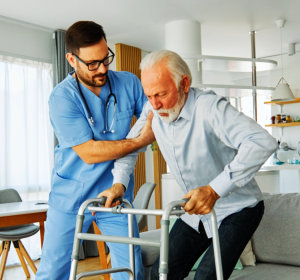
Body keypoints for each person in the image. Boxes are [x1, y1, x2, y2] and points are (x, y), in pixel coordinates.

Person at [110, 50, 278, 279]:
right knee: (163, 272)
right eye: (148, 96)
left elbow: (262, 142)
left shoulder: (209, 107)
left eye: (160, 94)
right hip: (196, 211)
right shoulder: (153, 111)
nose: (155, 104)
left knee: (207, 276)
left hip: (239, 208)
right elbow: (130, 147)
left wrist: (213, 189)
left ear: (184, 84)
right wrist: (119, 184)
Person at [36, 21, 154, 280]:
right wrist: (137, 141)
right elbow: (89, 152)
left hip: (114, 195)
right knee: (53, 272)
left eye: (105, 59)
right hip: (71, 195)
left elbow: (155, 120)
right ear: (71, 59)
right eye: (92, 64)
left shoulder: (129, 83)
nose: (102, 69)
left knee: (130, 269)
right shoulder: (62, 98)